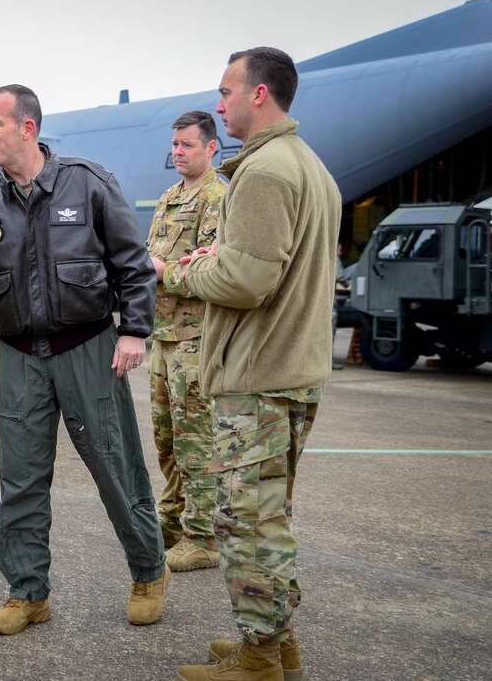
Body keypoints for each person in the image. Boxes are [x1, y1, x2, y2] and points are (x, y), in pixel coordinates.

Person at [0, 84, 169, 636]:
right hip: (20, 354)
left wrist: (135, 331)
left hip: (89, 347)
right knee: (21, 476)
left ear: (27, 128)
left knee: (115, 467)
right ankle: (28, 592)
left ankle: (148, 571)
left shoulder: (88, 182)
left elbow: (132, 263)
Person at [168, 48, 341, 681]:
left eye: (226, 91)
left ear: (259, 95)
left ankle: (259, 658)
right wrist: (228, 256)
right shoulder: (311, 167)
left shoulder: (265, 171)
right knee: (270, 515)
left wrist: (186, 270)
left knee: (246, 522)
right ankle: (278, 640)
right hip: (291, 371)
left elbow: (245, 282)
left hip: (258, 378)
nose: (219, 104)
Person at [146, 111, 225, 572]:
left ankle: (204, 537)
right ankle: (173, 521)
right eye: (175, 144)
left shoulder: (219, 199)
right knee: (167, 438)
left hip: (196, 338)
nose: (178, 152)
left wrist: (160, 272)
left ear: (211, 148)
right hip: (164, 335)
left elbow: (212, 272)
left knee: (196, 440)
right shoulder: (170, 198)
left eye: (188, 145)